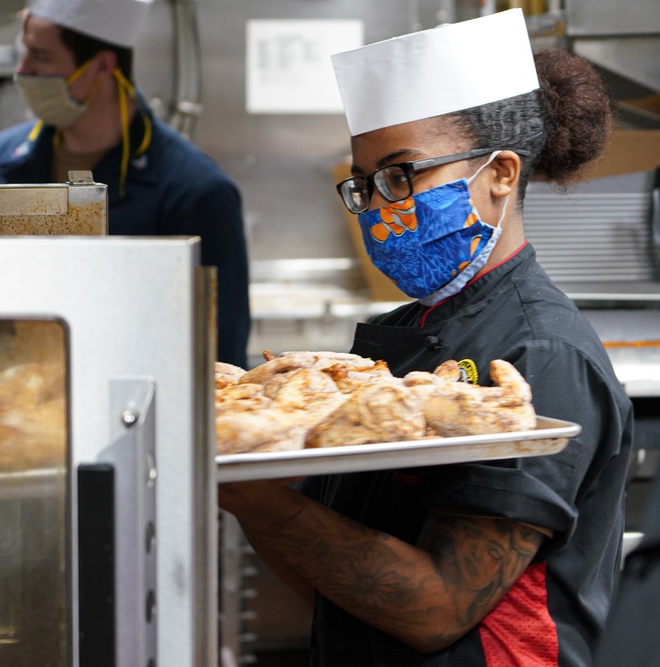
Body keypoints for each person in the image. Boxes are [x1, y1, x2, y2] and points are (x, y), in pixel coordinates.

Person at [219, 9, 633, 666]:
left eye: (402, 173)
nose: (380, 205)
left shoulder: (539, 355)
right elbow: (333, 583)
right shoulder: (395, 340)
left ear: (500, 174)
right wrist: (244, 481)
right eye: (365, 183)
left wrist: (259, 501)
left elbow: (438, 608)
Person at [0, 0, 251, 368]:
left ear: (102, 66)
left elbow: (219, 361)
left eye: (42, 57)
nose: (24, 71)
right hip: (9, 401)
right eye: (25, 53)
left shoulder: (195, 191)